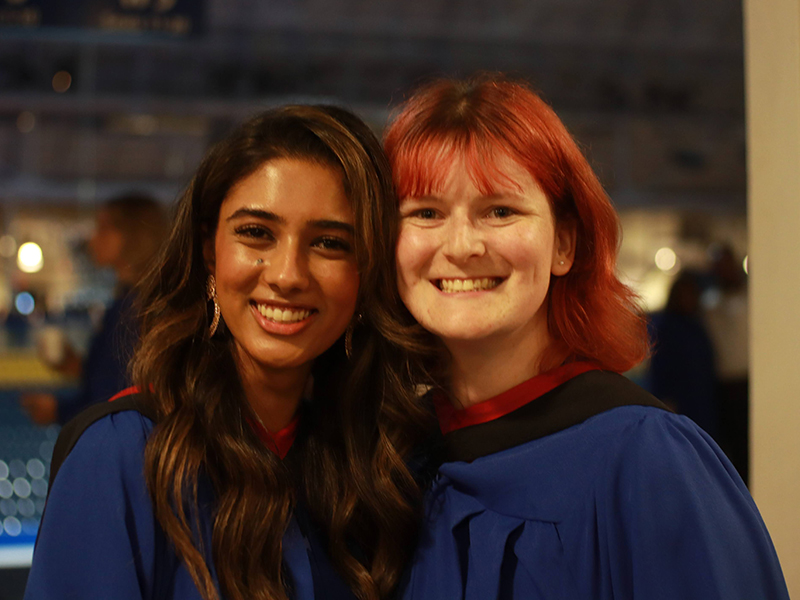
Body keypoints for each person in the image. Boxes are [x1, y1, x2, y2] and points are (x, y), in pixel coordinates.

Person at [383, 75, 788, 600]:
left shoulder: (647, 460)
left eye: (500, 210)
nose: (461, 245)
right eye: (426, 213)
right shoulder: (396, 467)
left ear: (565, 245)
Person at [25, 106, 430, 600]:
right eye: (256, 233)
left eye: (329, 243)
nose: (287, 275)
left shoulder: (376, 469)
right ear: (209, 255)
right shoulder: (123, 456)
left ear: (366, 277)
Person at [21, 194, 168, 425]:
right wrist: (80, 368)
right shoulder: (144, 303)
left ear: (133, 237)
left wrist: (57, 411)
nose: (93, 239)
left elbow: (113, 402)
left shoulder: (132, 311)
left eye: (103, 228)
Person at [648, 270, 719, 439]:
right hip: (679, 402)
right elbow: (660, 366)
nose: (688, 299)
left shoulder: (697, 326)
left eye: (691, 294)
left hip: (702, 400)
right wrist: (665, 399)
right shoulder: (668, 328)